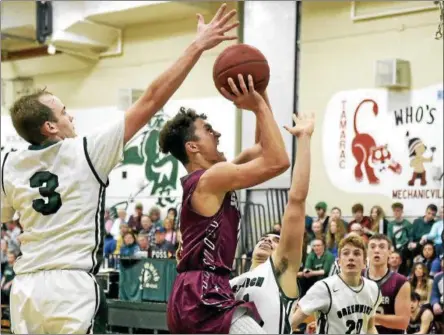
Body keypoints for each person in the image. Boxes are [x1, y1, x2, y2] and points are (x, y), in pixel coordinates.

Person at [0, 4, 238, 334]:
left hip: (25, 289)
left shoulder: (8, 164)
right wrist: (197, 45)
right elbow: (152, 97)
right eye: (64, 113)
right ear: (49, 128)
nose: (72, 118)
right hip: (69, 287)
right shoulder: (86, 150)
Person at [160, 75, 290, 331]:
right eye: (208, 130)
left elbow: (263, 149)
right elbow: (278, 161)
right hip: (202, 294)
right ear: (193, 147)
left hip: (195, 291)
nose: (217, 133)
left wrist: (260, 94)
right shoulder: (212, 178)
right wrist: (258, 107)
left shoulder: (214, 177)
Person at [230, 112, 314, 334]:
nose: (267, 239)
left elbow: (296, 201)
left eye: (276, 240)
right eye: (264, 237)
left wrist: (304, 139)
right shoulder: (232, 282)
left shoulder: (280, 272)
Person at [291, 235, 381, 334]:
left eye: (356, 253)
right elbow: (291, 323)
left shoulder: (373, 288)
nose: (351, 257)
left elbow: (370, 328)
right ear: (338, 262)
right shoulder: (323, 288)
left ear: (365, 263)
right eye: (346, 253)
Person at [364, 233, 411, 334]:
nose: (376, 250)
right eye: (372, 247)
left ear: (390, 252)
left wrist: (371, 317)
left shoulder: (400, 281)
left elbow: (403, 322)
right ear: (367, 252)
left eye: (381, 247)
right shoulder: (357, 277)